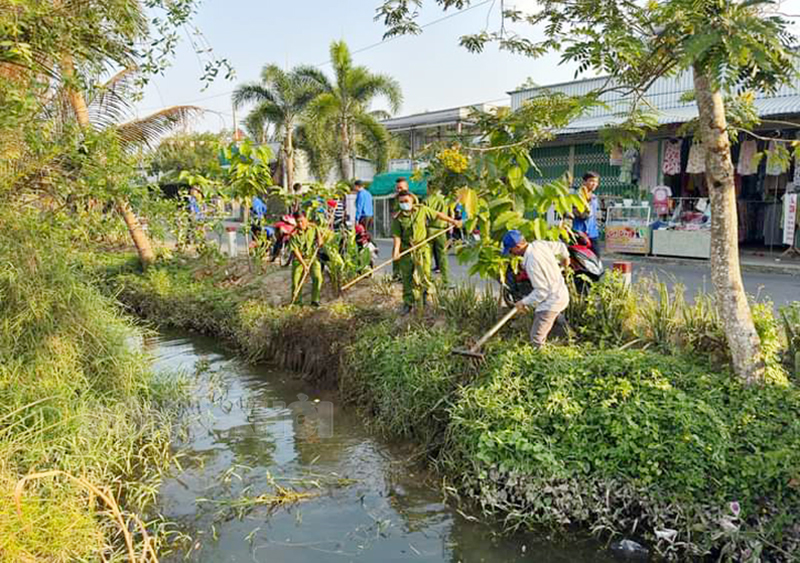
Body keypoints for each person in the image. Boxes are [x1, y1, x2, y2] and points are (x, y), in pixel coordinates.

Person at [391, 189, 461, 314]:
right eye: (401, 202)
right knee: (407, 278)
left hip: (422, 248)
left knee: (424, 275)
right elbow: (397, 237)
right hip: (407, 250)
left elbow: (438, 215)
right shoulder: (398, 218)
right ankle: (408, 303)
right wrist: (396, 252)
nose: (404, 204)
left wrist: (453, 221)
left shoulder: (422, 210)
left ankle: (424, 300)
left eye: (406, 201)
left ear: (412, 200)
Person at [502, 229, 570, 348]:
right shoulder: (539, 244)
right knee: (549, 321)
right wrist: (566, 258)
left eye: (511, 250)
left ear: (518, 246)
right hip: (559, 293)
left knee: (536, 337)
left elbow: (541, 291)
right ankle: (568, 338)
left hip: (552, 300)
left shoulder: (532, 262)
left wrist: (523, 302)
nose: (511, 253)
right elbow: (561, 246)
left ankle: (541, 363)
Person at [289, 212, 325, 306]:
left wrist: (320, 241)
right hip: (299, 260)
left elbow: (320, 239)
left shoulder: (314, 228)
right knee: (296, 282)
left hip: (312, 258)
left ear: (306, 219)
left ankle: (315, 300)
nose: (300, 224)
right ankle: (297, 303)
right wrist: (304, 265)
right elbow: (295, 251)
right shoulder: (293, 234)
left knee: (318, 278)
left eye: (302, 221)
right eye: (298, 222)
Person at [425, 188, 452, 286]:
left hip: (430, 229)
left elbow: (425, 216)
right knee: (443, 256)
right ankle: (446, 280)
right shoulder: (446, 199)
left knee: (427, 256)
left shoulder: (427, 199)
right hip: (442, 230)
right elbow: (451, 213)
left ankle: (426, 279)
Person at [572, 171, 601, 257]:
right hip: (579, 233)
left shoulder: (594, 197)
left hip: (592, 233)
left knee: (596, 257)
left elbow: (596, 214)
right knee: (580, 258)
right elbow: (577, 213)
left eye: (596, 182)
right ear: (584, 182)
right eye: (591, 181)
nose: (594, 184)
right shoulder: (576, 196)